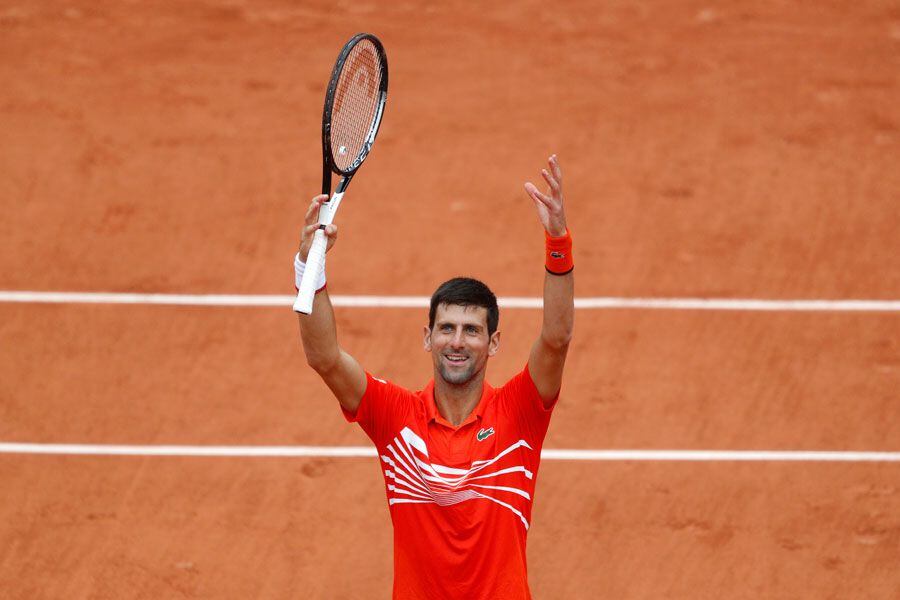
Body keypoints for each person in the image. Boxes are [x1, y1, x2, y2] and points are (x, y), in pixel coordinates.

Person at [294, 155, 574, 600]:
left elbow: (556, 340)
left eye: (471, 330)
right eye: (446, 328)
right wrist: (310, 268)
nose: (457, 342)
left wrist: (557, 242)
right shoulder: (394, 416)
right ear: (428, 337)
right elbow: (324, 357)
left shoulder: (520, 413)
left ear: (494, 343)